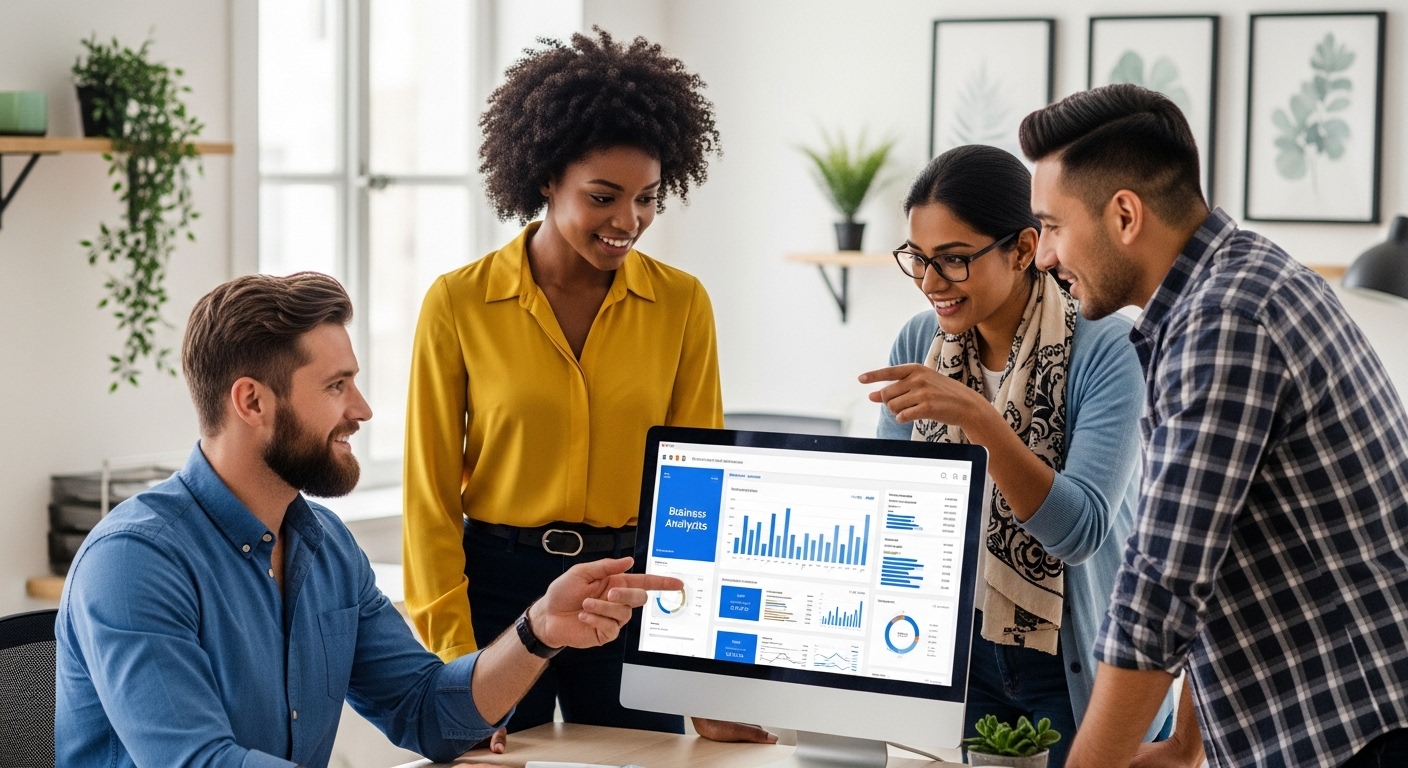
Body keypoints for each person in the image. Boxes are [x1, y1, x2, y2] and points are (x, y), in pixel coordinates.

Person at [54, 273, 682, 768]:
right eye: (336, 386)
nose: (362, 409)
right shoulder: (134, 562)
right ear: (251, 401)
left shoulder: (325, 547)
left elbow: (425, 709)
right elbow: (197, 761)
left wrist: (539, 628)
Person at [1020, 83, 1408, 768]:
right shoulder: (1233, 286)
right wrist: (1184, 745)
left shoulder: (1224, 321)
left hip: (1360, 735)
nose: (1044, 256)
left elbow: (1162, 586)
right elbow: (1216, 544)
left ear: (1125, 215)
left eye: (1051, 225)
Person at [401, 29, 765, 744]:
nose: (628, 221)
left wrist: (703, 678)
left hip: (632, 589)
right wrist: (457, 667)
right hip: (497, 591)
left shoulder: (683, 304)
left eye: (647, 198)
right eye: (603, 196)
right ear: (545, 178)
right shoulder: (458, 303)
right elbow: (428, 498)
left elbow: (701, 496)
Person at [859, 144, 1176, 768]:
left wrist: (980, 420)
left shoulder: (1109, 345)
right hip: (964, 648)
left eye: (953, 261)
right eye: (919, 260)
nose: (930, 284)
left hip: (1072, 660)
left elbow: (1079, 530)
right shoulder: (921, 340)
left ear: (1024, 249)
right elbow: (890, 511)